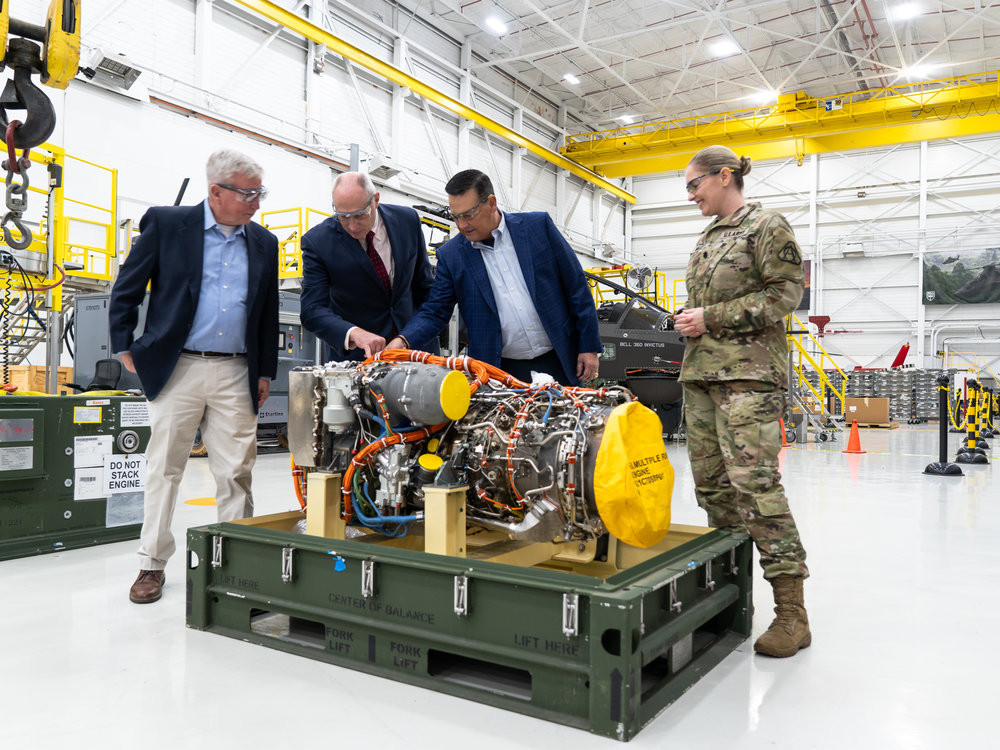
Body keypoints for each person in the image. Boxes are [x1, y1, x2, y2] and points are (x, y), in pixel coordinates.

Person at [109, 149, 279, 604]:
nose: (256, 202)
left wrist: (264, 371)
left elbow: (267, 314)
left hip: (235, 370)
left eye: (260, 192)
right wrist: (123, 342)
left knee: (237, 470)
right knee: (164, 468)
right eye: (248, 193)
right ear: (216, 191)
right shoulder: (167, 224)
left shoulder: (264, 243)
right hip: (177, 367)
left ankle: (237, 563)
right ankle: (151, 564)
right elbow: (127, 286)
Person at [673, 145, 811, 658]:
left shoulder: (766, 226)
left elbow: (784, 296)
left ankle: (792, 615)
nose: (691, 196)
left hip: (749, 378)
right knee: (713, 491)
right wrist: (694, 318)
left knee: (755, 487)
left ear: (724, 176)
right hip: (703, 376)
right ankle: (731, 603)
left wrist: (711, 317)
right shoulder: (708, 238)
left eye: (694, 185)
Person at [387, 169, 601, 385]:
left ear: (491, 203)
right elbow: (435, 311)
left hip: (560, 358)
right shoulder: (452, 255)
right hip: (500, 370)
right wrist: (404, 340)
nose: (461, 225)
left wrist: (589, 346)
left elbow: (576, 287)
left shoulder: (537, 227)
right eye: (456, 216)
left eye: (468, 215)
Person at [300, 171, 436, 359]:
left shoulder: (407, 222)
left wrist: (409, 337)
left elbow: (425, 291)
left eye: (359, 215)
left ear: (376, 200)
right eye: (343, 216)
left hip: (415, 351)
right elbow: (312, 310)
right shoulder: (318, 242)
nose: (352, 226)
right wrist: (353, 333)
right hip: (359, 361)